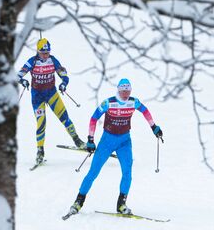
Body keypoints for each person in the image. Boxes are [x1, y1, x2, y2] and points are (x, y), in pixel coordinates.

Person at [67, 78, 163, 216]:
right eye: (123, 91)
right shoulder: (109, 103)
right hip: (107, 141)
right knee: (93, 172)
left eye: (128, 91)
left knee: (127, 173)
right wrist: (90, 139)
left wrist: (154, 127)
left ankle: (121, 204)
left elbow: (145, 111)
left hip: (124, 141)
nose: (126, 94)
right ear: (118, 90)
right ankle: (78, 201)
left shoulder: (133, 101)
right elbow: (94, 119)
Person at [17, 38, 85, 164]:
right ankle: (40, 151)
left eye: (47, 52)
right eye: (43, 53)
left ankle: (77, 140)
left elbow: (63, 73)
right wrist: (23, 81)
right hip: (37, 97)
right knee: (41, 123)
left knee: (65, 118)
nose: (45, 55)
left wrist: (64, 83)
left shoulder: (52, 60)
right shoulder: (32, 61)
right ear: (37, 51)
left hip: (51, 94)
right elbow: (18, 75)